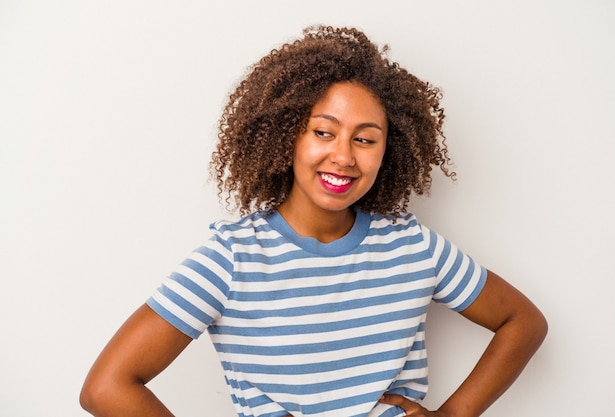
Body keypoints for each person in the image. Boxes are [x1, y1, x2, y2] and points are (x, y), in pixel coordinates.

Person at [80, 25, 547, 417]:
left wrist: (453, 414)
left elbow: (522, 321)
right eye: (323, 132)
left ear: (389, 151)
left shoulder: (414, 246)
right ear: (287, 136)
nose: (342, 156)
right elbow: (107, 387)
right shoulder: (233, 258)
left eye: (365, 139)